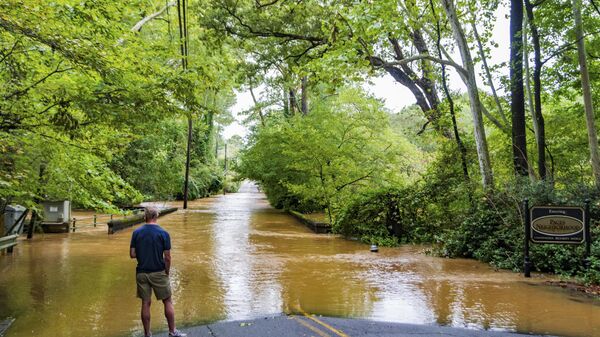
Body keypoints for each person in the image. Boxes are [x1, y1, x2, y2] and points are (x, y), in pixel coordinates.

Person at [130, 207, 186, 337]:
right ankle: (172, 332)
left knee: (145, 303)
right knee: (167, 301)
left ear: (145, 217)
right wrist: (167, 272)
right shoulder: (163, 233)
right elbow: (167, 257)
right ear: (156, 216)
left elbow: (132, 254)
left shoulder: (136, 232)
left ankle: (147, 334)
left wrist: (143, 252)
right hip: (159, 272)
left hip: (142, 273)